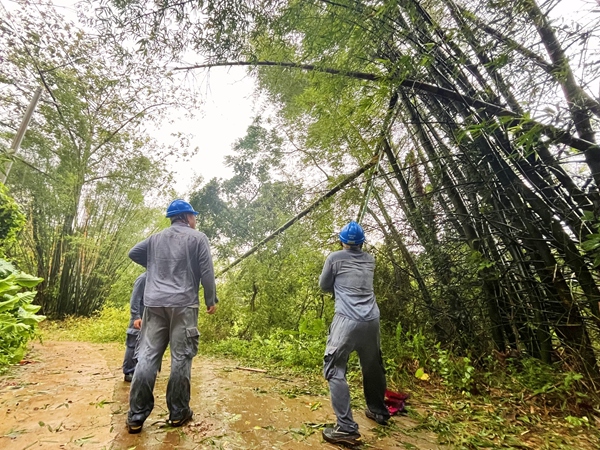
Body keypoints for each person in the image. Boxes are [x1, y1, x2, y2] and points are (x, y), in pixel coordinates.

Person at [125, 199, 218, 434]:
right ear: (186, 217)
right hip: (184, 305)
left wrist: (156, 266)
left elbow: (133, 252)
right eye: (193, 217)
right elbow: (207, 271)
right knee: (181, 358)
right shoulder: (198, 238)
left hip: (154, 304)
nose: (195, 221)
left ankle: (136, 416)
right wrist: (210, 299)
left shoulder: (155, 239)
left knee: (147, 357)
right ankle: (178, 413)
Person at [318, 221, 390, 447]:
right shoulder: (370, 260)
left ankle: (347, 429)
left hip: (347, 321)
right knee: (372, 365)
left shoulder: (334, 258)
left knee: (334, 368)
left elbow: (324, 285)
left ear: (341, 240)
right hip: (371, 321)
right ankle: (378, 411)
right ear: (362, 243)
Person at [123, 272, 147, 382]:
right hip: (139, 318)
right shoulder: (142, 279)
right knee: (133, 344)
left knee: (146, 345)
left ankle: (140, 370)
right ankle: (129, 372)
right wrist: (136, 316)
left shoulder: (156, 279)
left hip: (149, 318)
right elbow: (135, 299)